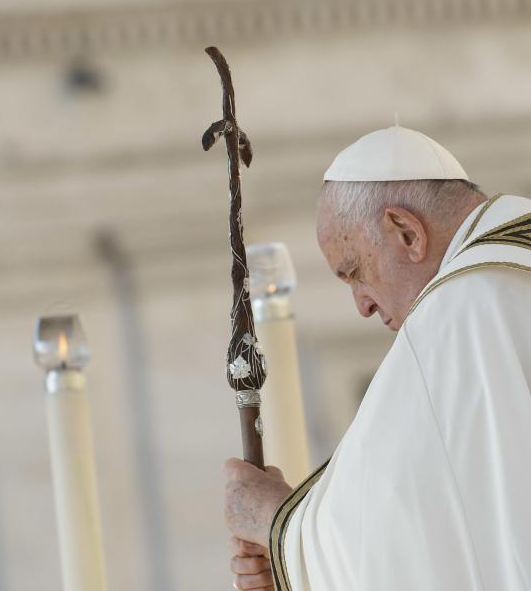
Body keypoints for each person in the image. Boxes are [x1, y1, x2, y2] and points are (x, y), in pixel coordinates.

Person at [224, 125, 531, 590]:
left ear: (407, 232)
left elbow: (394, 530)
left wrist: (277, 526)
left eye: (355, 273)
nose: (362, 305)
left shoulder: (463, 310)